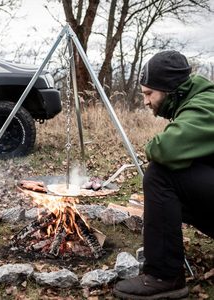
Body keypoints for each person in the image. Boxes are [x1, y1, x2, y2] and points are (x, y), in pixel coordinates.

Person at [113, 50, 214, 299]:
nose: (146, 102)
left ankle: (163, 276)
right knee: (175, 183)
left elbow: (165, 149)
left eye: (149, 93)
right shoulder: (196, 101)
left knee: (161, 174)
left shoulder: (206, 106)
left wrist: (149, 148)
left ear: (170, 90)